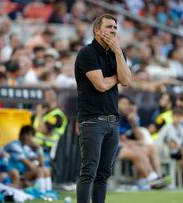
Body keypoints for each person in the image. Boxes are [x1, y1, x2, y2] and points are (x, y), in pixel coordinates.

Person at [74, 14, 131, 203]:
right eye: (109, 27)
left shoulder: (117, 53)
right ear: (96, 30)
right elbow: (101, 85)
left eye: (115, 27)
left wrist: (118, 53)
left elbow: (127, 80)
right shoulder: (87, 53)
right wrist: (118, 77)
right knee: (89, 171)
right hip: (92, 120)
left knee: (104, 174)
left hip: (113, 121)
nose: (113, 31)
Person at [4, 125, 52, 191]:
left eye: (31, 136)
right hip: (11, 175)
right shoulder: (14, 145)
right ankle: (41, 192)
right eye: (28, 135)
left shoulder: (25, 147)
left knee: (46, 169)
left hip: (21, 175)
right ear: (21, 135)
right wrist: (38, 166)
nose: (30, 138)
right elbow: (31, 166)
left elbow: (42, 164)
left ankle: (48, 191)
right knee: (39, 170)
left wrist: (39, 148)